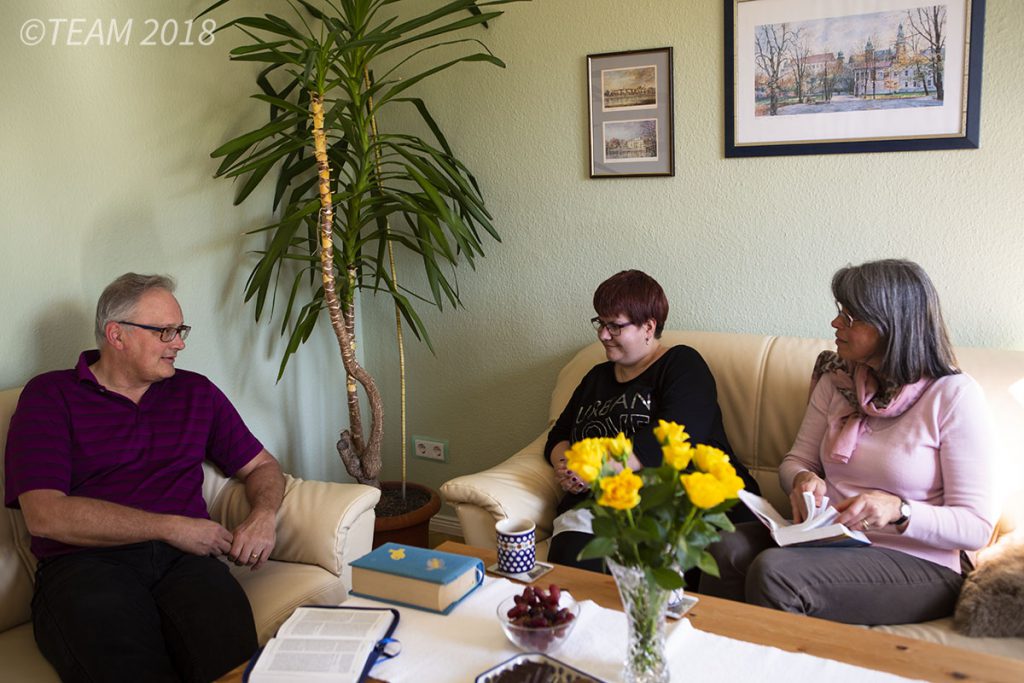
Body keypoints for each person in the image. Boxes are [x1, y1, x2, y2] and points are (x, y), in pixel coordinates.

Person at [4, 273, 286, 682]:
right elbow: (45, 515)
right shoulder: (49, 396)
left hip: (187, 566)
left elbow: (262, 466)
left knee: (232, 665)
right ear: (116, 335)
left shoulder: (195, 393)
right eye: (165, 332)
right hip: (85, 567)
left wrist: (262, 516)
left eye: (180, 330)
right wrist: (171, 527)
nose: (180, 343)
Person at [700, 259, 996, 625]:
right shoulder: (837, 382)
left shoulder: (953, 396)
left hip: (922, 562)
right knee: (724, 546)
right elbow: (796, 461)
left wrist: (899, 510)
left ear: (891, 326)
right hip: (832, 541)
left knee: (775, 572)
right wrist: (802, 479)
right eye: (841, 312)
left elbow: (976, 527)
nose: (836, 324)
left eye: (851, 317)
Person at [544, 269, 759, 572]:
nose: (603, 335)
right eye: (600, 323)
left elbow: (671, 439)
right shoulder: (595, 377)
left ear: (648, 326)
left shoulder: (682, 364)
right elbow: (559, 435)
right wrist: (567, 466)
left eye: (615, 326)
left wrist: (592, 470)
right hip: (601, 506)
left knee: (650, 580)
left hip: (673, 501)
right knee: (571, 570)